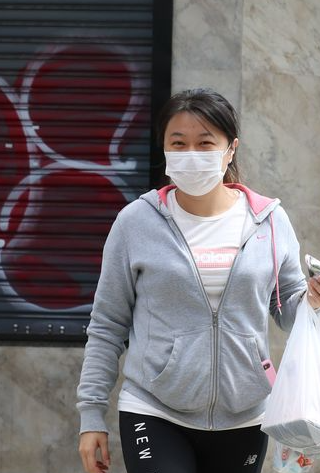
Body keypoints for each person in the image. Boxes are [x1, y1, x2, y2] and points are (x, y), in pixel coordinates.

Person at [76, 88, 320, 473]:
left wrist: (311, 300)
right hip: (154, 408)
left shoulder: (270, 221)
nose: (191, 153)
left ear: (230, 149)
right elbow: (107, 325)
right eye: (179, 143)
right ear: (165, 148)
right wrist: (91, 415)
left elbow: (288, 306)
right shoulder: (136, 223)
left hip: (245, 414)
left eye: (205, 143)